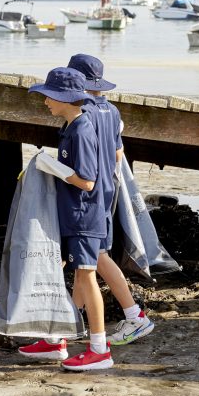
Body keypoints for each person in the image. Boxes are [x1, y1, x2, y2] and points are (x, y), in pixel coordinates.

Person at [19, 67, 114, 371]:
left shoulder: (83, 129)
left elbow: (87, 181)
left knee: (87, 278)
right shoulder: (71, 126)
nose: (45, 101)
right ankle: (58, 339)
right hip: (74, 215)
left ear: (65, 98)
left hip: (84, 217)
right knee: (78, 276)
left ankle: (99, 349)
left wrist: (53, 167)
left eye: (49, 96)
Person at [67, 53, 154, 346]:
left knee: (95, 258)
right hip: (108, 189)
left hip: (87, 194)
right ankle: (71, 320)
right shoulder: (112, 111)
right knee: (87, 260)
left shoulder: (83, 113)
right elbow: (119, 155)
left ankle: (134, 315)